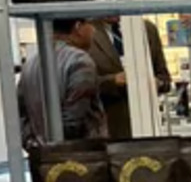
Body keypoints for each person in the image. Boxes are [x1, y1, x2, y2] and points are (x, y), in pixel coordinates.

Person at [17, 19, 107, 147]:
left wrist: (36, 144)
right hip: (79, 152)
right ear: (78, 27)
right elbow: (74, 121)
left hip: (43, 151)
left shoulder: (31, 63)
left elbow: (21, 114)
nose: (94, 30)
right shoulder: (80, 61)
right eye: (91, 24)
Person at [87, 19, 173, 141]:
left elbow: (165, 79)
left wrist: (158, 83)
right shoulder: (87, 31)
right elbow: (82, 84)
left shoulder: (147, 29)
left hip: (147, 125)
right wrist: (113, 81)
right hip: (109, 125)